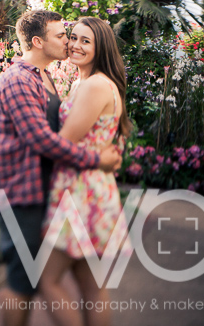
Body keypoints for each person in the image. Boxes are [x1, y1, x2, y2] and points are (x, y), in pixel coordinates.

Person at [0, 10, 122, 326]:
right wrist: (97, 159)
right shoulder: (20, 79)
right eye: (63, 35)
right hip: (23, 192)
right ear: (38, 41)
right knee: (24, 280)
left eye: (76, 37)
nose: (68, 42)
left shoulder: (46, 77)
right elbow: (42, 141)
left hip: (62, 190)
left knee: (61, 280)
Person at [39, 17, 133, 326]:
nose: (75, 45)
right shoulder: (90, 82)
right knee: (92, 287)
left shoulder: (94, 85)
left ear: (100, 47)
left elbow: (64, 142)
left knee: (47, 279)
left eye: (85, 41)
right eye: (73, 37)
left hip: (81, 192)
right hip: (92, 187)